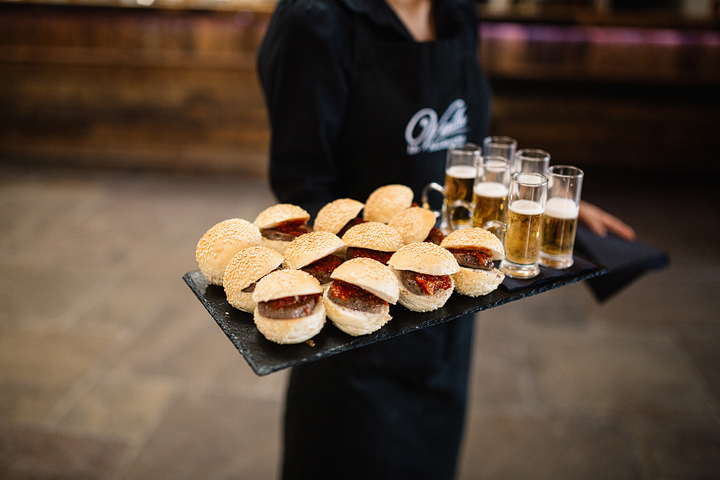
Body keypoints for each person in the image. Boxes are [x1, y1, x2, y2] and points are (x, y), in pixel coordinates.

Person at [256, 0, 635, 479]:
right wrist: (375, 273)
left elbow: (471, 148)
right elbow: (303, 187)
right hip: (357, 327)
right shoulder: (313, 20)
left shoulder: (458, 11)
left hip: (447, 310)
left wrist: (540, 199)